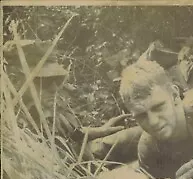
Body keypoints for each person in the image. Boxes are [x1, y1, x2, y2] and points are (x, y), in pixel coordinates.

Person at [3, 39, 143, 165]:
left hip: (84, 156)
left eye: (56, 80)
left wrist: (102, 130)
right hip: (79, 172)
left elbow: (74, 135)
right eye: (43, 81)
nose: (54, 88)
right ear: (15, 79)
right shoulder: (13, 128)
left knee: (143, 135)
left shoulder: (40, 109)